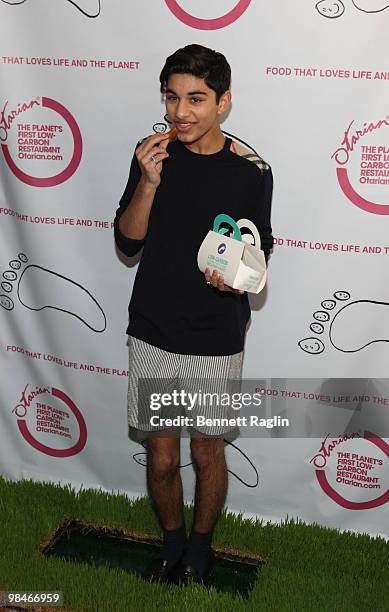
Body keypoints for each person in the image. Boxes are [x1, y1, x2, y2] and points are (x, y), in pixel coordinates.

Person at [113, 43, 274, 586]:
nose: (180, 111)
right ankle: (172, 543)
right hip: (153, 328)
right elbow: (128, 241)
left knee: (206, 453)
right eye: (172, 96)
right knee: (160, 458)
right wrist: (149, 183)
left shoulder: (252, 171)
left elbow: (258, 252)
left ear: (223, 102)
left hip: (214, 335)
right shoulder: (150, 153)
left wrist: (236, 278)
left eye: (196, 99)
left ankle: (200, 551)